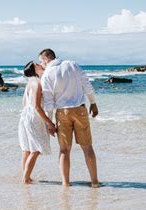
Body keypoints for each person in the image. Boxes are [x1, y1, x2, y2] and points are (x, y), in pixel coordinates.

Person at [38, 48, 100, 188]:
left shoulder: (47, 74)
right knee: (87, 147)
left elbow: (49, 102)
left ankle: (66, 183)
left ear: (46, 59)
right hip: (80, 109)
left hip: (62, 112)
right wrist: (94, 103)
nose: (41, 64)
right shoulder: (73, 64)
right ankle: (95, 182)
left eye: (41, 61)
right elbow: (87, 85)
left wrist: (50, 123)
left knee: (64, 150)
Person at [19, 61, 57, 184]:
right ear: (35, 68)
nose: (41, 64)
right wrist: (50, 123)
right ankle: (25, 178)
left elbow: (25, 104)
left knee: (27, 149)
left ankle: (26, 176)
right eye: (38, 64)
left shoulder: (29, 83)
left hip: (25, 116)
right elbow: (37, 107)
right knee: (35, 150)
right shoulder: (37, 83)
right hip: (33, 117)